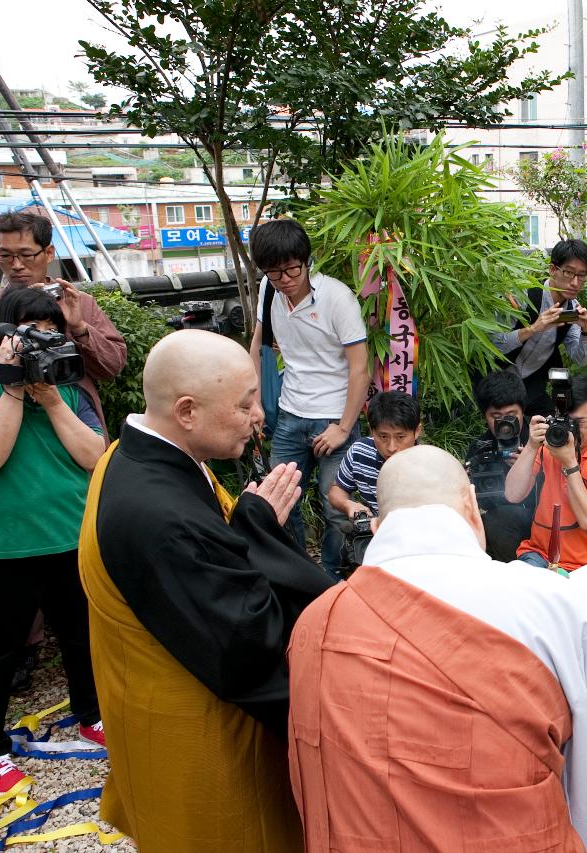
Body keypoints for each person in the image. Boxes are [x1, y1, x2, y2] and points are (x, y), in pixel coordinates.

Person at [287, 445, 587, 852]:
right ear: (470, 503)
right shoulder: (547, 602)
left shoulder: (317, 621)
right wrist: (576, 774)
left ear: (378, 527)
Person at [79, 329, 335, 852]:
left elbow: (209, 559)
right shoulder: (161, 514)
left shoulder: (132, 455)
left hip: (151, 700)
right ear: (188, 411)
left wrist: (251, 518)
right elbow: (248, 638)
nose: (259, 417)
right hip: (200, 737)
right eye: (245, 405)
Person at [0, 287, 106, 795]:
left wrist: (53, 398)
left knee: (83, 639)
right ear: (3, 336)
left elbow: (94, 457)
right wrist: (12, 387)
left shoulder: (71, 390)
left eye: (52, 329)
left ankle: (91, 713)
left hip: (69, 537)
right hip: (0, 548)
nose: (45, 340)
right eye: (31, 330)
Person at [249, 218, 370, 579]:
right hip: (289, 414)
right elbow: (257, 346)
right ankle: (298, 573)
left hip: (334, 416)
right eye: (275, 273)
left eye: (292, 269)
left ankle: (334, 578)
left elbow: (360, 368)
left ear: (307, 261)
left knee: (338, 507)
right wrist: (253, 402)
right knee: (279, 503)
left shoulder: (337, 298)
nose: (285, 280)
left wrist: (343, 428)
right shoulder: (268, 291)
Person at [0, 211, 127, 430]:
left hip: (78, 419)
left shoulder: (78, 302)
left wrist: (78, 327)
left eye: (26, 254)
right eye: (5, 255)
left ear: (49, 253)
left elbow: (112, 367)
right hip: (12, 423)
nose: (16, 265)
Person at [505, 374, 587, 571]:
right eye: (565, 420)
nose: (569, 430)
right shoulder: (549, 444)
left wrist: (569, 462)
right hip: (538, 554)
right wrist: (530, 446)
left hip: (585, 566)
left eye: (579, 422)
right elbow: (512, 494)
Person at [489, 239, 587, 417]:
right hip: (496, 379)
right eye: (569, 273)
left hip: (532, 386)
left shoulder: (572, 310)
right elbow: (494, 345)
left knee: (555, 427)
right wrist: (534, 328)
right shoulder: (524, 294)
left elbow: (580, 360)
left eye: (582, 275)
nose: (575, 283)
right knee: (510, 430)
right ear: (553, 269)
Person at [464, 370, 536, 562]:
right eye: (496, 416)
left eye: (512, 415)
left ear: (523, 410)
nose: (505, 423)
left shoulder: (539, 439)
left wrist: (532, 466)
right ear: (484, 415)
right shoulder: (481, 447)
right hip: (497, 528)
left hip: (538, 524)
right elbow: (479, 504)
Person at [326, 389, 420, 522]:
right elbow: (336, 491)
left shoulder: (430, 463)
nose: (391, 447)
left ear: (417, 431)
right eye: (383, 436)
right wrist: (348, 505)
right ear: (372, 430)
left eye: (400, 437)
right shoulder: (359, 452)